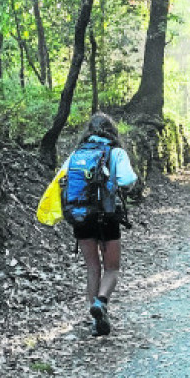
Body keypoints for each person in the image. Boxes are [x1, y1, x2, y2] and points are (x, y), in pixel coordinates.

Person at [60, 112, 138, 336]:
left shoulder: (77, 153)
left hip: (81, 216)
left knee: (92, 268)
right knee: (111, 268)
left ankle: (94, 318)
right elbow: (127, 180)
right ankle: (101, 303)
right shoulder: (116, 152)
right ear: (112, 130)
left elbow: (62, 180)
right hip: (107, 217)